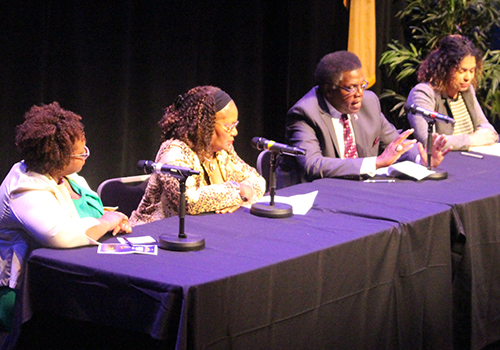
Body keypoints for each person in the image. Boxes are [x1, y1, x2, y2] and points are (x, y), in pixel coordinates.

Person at [0, 102, 131, 332]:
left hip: (62, 276)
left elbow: (93, 214)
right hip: (22, 292)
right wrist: (105, 223)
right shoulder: (25, 187)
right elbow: (60, 235)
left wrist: (115, 220)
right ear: (57, 155)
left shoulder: (69, 178)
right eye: (81, 152)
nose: (86, 155)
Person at [285, 51, 451, 181]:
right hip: (317, 195)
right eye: (351, 88)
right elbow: (312, 165)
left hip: (359, 190)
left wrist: (423, 158)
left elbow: (393, 144)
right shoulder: (305, 113)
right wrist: (375, 163)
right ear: (329, 90)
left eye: (362, 85)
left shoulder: (369, 102)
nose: (360, 94)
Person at [130, 86, 266, 226]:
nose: (235, 132)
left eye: (235, 125)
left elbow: (257, 181)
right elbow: (189, 201)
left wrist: (239, 198)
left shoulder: (222, 151)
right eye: (228, 126)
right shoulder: (174, 151)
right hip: (155, 233)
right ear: (204, 125)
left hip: (202, 230)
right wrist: (238, 190)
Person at [407, 34, 498, 151]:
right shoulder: (423, 93)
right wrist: (471, 140)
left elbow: (486, 127)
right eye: (462, 71)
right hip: (444, 162)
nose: (468, 77)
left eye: (472, 71)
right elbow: (429, 141)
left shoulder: (467, 90)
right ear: (445, 68)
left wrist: (487, 134)